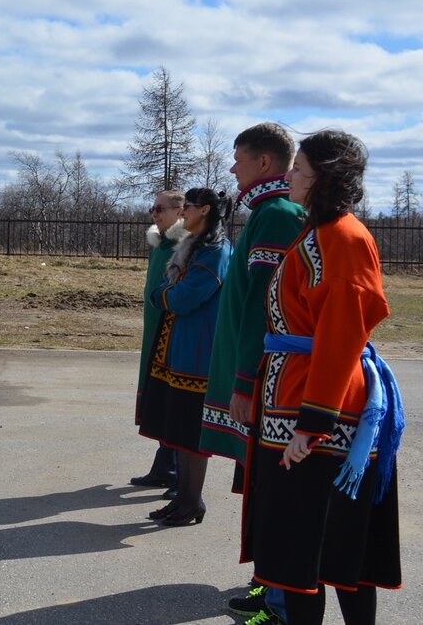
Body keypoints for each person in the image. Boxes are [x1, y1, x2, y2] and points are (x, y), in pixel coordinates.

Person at [242, 130, 401, 625]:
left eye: (299, 168)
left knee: (327, 555)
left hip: (316, 417)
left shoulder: (344, 239)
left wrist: (313, 424)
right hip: (293, 403)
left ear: (323, 177)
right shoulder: (319, 233)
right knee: (303, 558)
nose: (289, 174)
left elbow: (339, 336)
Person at [198, 123, 306, 624]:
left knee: (272, 488)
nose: (232, 167)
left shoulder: (278, 214)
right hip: (261, 377)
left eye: (238, 157)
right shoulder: (266, 211)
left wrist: (245, 382)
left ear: (265, 163)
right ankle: (268, 584)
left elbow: (267, 307)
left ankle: (279, 600)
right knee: (258, 484)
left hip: (269, 383)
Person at [137, 187, 231, 526]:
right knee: (180, 426)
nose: (183, 213)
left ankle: (193, 501)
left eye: (187, 207)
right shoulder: (195, 246)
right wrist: (167, 292)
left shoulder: (215, 251)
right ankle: (183, 497)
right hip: (180, 348)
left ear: (203, 210)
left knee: (192, 429)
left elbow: (184, 297)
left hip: (198, 352)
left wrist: (162, 294)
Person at [131, 190, 188, 491]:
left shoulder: (185, 243)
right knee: (159, 396)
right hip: (154, 329)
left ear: (180, 211)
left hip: (172, 332)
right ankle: (165, 463)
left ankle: (176, 468)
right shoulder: (161, 244)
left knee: (173, 397)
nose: (154, 213)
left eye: (160, 208)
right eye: (152, 208)